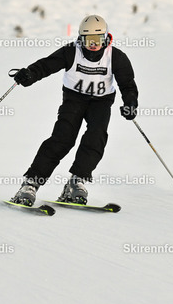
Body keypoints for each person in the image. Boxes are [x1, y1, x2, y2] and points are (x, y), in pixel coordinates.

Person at [10, 15, 139, 206]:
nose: (93, 45)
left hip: (101, 102)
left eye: (98, 40)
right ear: (80, 38)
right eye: (88, 40)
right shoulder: (71, 52)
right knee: (62, 139)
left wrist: (130, 103)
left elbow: (127, 84)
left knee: (96, 136)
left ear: (106, 38)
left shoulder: (116, 57)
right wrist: (29, 74)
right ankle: (30, 184)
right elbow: (46, 65)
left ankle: (77, 181)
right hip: (74, 100)